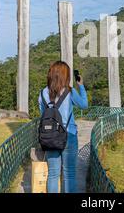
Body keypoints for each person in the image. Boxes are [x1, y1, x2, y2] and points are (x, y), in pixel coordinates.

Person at [38, 61, 88, 193]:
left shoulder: (43, 93)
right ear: (66, 75)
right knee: (69, 174)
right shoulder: (69, 92)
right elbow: (84, 105)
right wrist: (81, 86)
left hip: (50, 137)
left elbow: (43, 115)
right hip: (69, 135)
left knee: (53, 174)